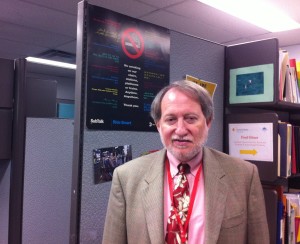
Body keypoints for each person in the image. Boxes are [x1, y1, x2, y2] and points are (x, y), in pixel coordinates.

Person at [102, 80, 269, 244]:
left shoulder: (244, 176)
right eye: (171, 119)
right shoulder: (126, 178)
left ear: (208, 122)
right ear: (159, 124)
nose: (181, 130)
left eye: (190, 118)